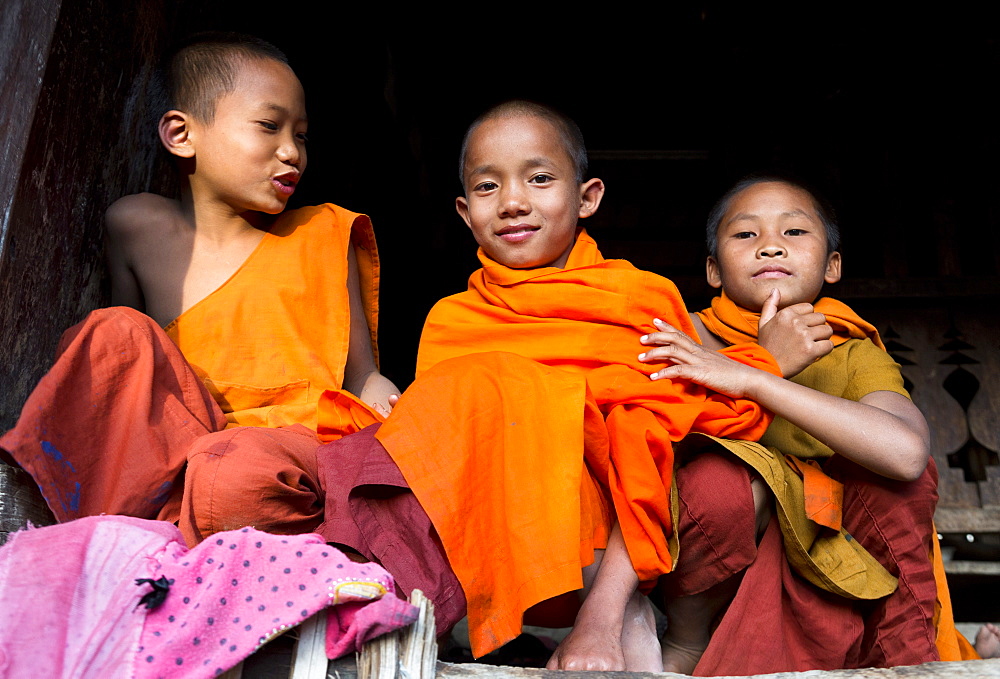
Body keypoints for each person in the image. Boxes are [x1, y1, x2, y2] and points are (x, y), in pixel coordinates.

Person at [324, 100, 781, 672]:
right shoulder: (452, 319)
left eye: (539, 179)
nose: (514, 202)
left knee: (648, 429)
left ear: (588, 197)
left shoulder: (639, 297)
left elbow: (668, 424)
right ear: (465, 213)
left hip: (628, 530)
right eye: (489, 188)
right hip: (511, 535)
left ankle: (614, 610)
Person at [0, 33, 399, 548]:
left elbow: (361, 374)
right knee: (111, 332)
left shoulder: (323, 234)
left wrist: (392, 413)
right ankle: (110, 523)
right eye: (269, 126)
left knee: (235, 480)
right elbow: (126, 376)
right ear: (181, 134)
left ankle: (158, 539)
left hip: (278, 451)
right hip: (176, 452)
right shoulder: (137, 226)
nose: (291, 151)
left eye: (301, 135)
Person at [638, 176, 979, 673]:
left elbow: (905, 455)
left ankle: (898, 657)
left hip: (830, 556)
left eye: (795, 232)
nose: (770, 245)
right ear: (713, 270)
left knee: (898, 483)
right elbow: (648, 445)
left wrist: (755, 377)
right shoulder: (682, 336)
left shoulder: (851, 351)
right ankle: (689, 642)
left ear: (833, 265)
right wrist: (761, 359)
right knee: (721, 483)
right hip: (711, 568)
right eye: (745, 235)